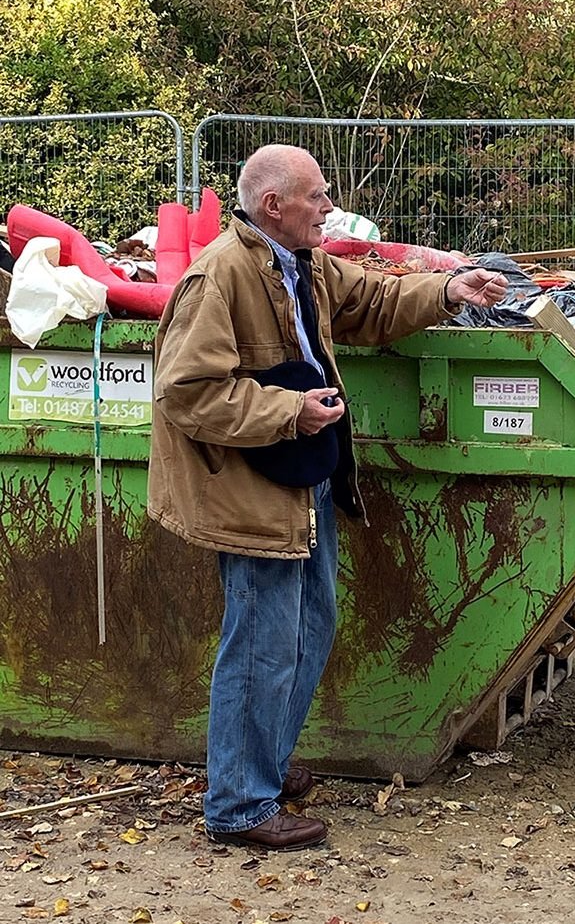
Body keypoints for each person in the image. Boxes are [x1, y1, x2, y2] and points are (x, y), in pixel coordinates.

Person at [147, 145, 508, 851]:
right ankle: (239, 806)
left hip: (301, 476)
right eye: (315, 196)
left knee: (308, 625)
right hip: (252, 488)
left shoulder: (300, 263)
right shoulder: (218, 276)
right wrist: (288, 412)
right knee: (261, 643)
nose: (327, 207)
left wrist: (448, 290)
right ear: (273, 205)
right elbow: (187, 392)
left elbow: (370, 299)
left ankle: (263, 766)